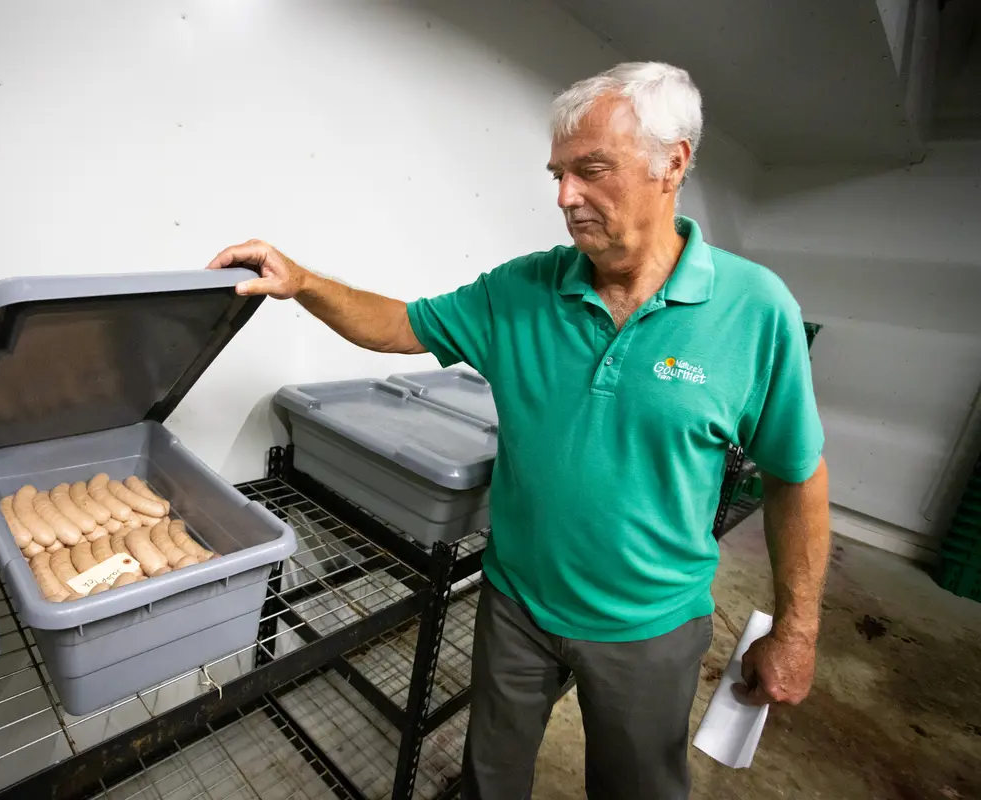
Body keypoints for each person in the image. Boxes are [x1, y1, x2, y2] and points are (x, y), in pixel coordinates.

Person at [206, 61, 830, 800]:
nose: (566, 197)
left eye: (591, 170)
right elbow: (401, 325)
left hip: (649, 628)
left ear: (674, 163)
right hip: (515, 605)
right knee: (489, 782)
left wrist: (795, 630)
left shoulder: (755, 310)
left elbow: (796, 473)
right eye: (558, 174)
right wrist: (303, 282)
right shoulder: (524, 289)